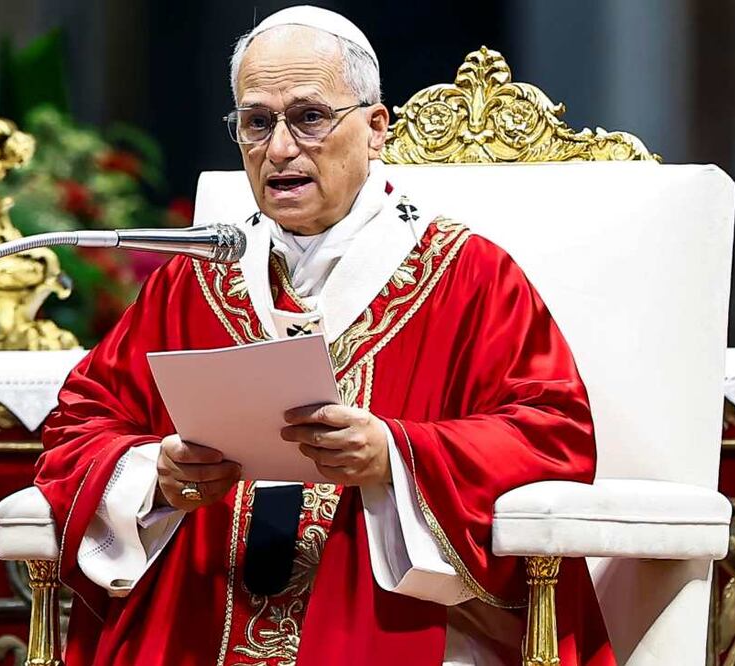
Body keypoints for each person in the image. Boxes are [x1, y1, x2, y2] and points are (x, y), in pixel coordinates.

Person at [35, 6, 614, 665]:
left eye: (309, 117)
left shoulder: (467, 275)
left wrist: (396, 455)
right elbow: (79, 425)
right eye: (256, 122)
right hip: (202, 617)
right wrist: (155, 476)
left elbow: (554, 434)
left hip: (393, 623)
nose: (279, 148)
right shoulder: (196, 282)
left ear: (374, 129)